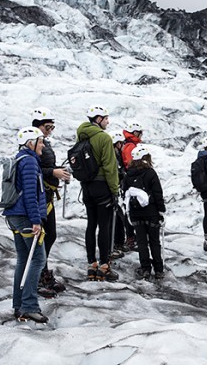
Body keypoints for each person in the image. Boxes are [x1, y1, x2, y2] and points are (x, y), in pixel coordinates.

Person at [3, 127, 49, 323]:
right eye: (40, 141)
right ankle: (29, 305)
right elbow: (31, 194)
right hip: (25, 218)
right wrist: (36, 220)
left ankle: (18, 304)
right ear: (31, 143)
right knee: (38, 259)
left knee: (23, 259)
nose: (43, 145)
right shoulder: (29, 161)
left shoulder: (20, 159)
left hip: (14, 215)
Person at [76, 105, 119, 281]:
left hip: (87, 186)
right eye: (106, 118)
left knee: (91, 224)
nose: (108, 121)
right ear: (99, 119)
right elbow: (110, 167)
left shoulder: (81, 135)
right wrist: (115, 190)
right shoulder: (104, 138)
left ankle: (91, 263)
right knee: (105, 226)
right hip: (102, 186)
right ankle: (104, 265)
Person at [31, 107, 70, 297]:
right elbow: (33, 168)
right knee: (43, 237)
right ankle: (37, 275)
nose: (50, 130)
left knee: (50, 235)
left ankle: (42, 272)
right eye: (48, 126)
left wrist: (58, 172)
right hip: (41, 196)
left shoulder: (43, 142)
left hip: (47, 195)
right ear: (38, 125)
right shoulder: (31, 143)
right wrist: (53, 172)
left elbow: (43, 166)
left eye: (52, 126)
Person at [122, 145, 166, 280]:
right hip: (151, 213)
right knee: (154, 241)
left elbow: (125, 194)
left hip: (136, 214)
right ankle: (158, 269)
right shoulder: (150, 173)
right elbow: (158, 193)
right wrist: (161, 210)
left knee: (141, 242)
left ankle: (145, 268)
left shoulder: (128, 174)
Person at [109, 130, 137, 256]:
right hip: (112, 190)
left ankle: (118, 242)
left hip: (115, 188)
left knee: (119, 216)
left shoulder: (115, 155)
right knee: (117, 217)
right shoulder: (113, 156)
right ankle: (115, 244)